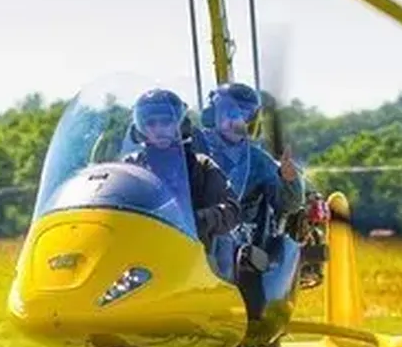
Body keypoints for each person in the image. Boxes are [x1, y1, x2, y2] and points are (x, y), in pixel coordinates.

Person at [123, 88, 241, 252]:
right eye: (151, 123)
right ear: (140, 129)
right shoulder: (130, 167)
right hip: (140, 253)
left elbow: (232, 211)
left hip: (192, 255)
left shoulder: (201, 165)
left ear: (181, 125)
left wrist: (198, 219)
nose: (159, 129)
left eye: (166, 122)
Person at [195, 82, 304, 246]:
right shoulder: (191, 147)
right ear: (212, 114)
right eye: (230, 113)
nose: (236, 122)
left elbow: (288, 205)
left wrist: (289, 179)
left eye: (244, 115)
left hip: (233, 244)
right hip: (191, 230)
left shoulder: (259, 161)